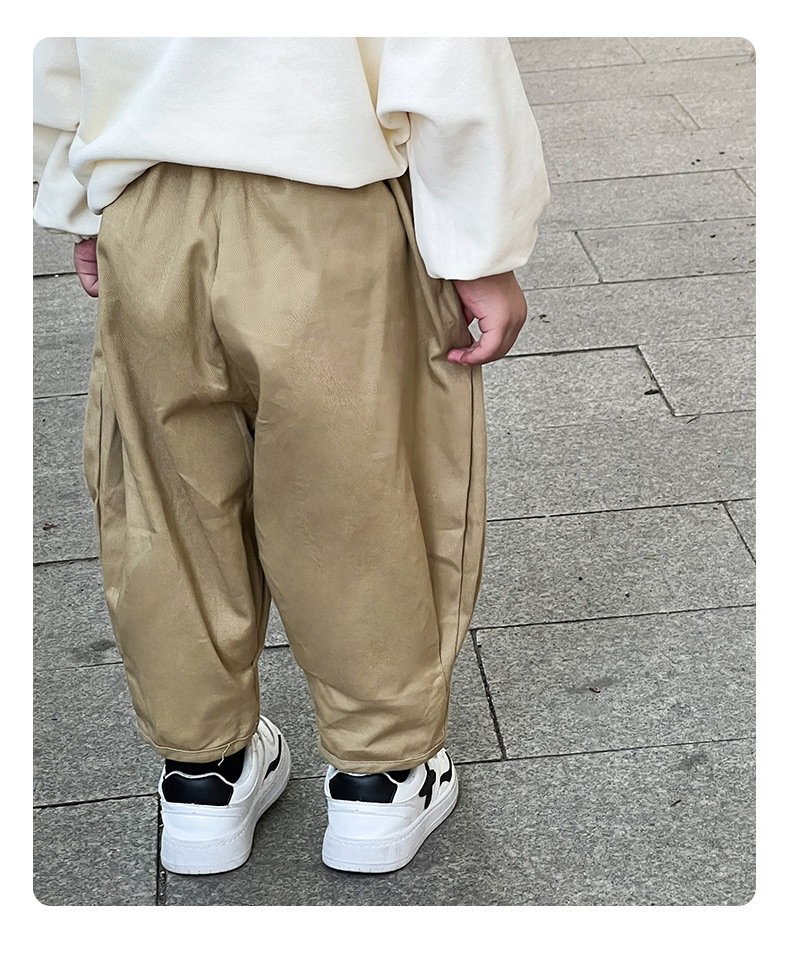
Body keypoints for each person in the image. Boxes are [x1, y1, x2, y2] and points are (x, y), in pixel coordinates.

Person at [33, 36, 550, 876]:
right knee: (357, 494)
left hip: (150, 211)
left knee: (168, 507)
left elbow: (49, 47)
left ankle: (203, 777)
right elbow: (443, 50)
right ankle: (379, 778)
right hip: (327, 207)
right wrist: (482, 250)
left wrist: (78, 198)